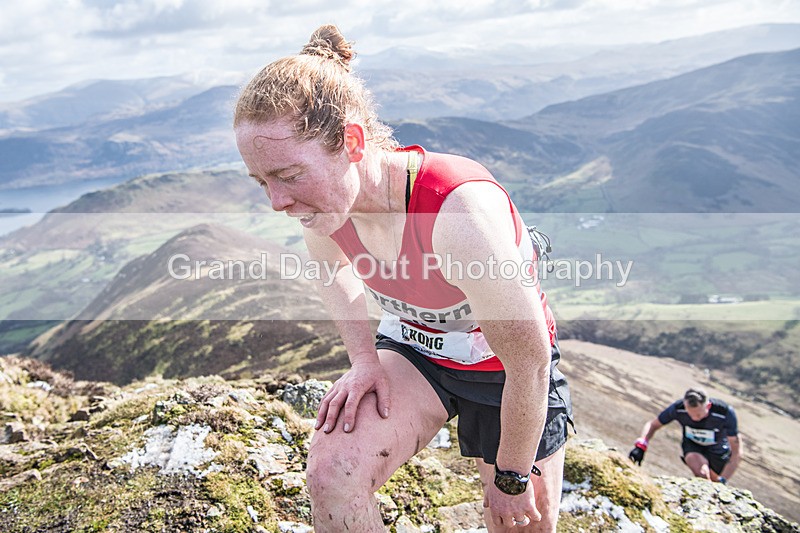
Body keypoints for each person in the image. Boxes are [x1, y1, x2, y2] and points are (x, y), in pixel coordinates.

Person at [234, 25, 572, 532]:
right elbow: (335, 275)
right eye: (262, 181)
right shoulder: (325, 209)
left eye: (288, 175)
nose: (277, 203)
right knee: (333, 475)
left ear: (351, 141)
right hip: (417, 352)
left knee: (519, 524)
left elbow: (529, 362)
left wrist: (510, 479)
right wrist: (364, 361)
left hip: (505, 369)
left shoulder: (457, 213)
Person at [629, 388, 742, 484]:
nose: (694, 418)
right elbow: (653, 425)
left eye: (698, 414)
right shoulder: (678, 408)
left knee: (714, 481)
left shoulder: (724, 413)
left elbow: (736, 452)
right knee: (702, 475)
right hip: (693, 445)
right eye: (690, 413)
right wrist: (642, 445)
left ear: (708, 406)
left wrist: (723, 480)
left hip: (718, 449)